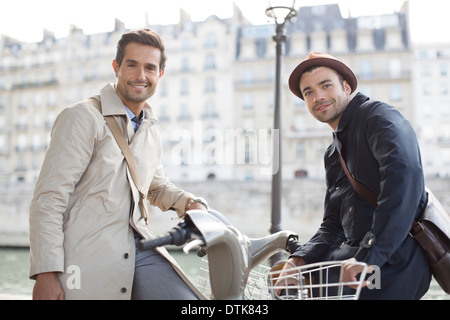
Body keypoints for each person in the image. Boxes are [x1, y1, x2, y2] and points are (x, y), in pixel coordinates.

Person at [29, 29, 209, 300]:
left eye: (150, 68)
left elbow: (154, 185)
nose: (141, 76)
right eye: (132, 65)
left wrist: (190, 202)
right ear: (116, 67)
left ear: (160, 74)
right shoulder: (82, 117)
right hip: (87, 257)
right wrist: (46, 273)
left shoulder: (150, 125)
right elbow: (48, 199)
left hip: (140, 247)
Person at [281, 51, 432, 299]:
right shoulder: (333, 152)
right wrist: (298, 258)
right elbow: (333, 224)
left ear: (347, 87)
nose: (317, 96)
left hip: (391, 262)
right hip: (354, 264)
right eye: (308, 92)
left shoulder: (378, 116)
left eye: (325, 85)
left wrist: (370, 257)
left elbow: (404, 184)